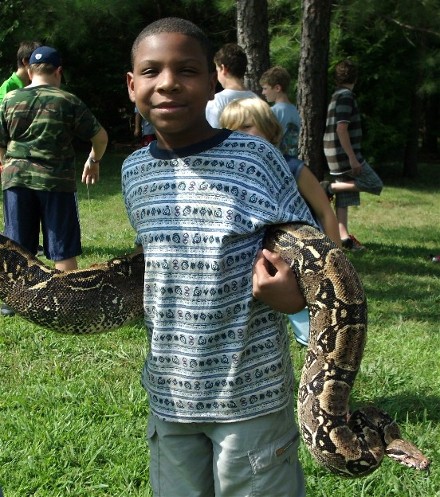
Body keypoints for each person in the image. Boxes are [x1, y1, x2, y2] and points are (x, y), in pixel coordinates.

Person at [124, 17, 318, 497]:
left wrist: (292, 298)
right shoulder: (132, 172)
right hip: (170, 393)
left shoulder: (257, 158)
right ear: (132, 85)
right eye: (151, 72)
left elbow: (310, 254)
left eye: (186, 70)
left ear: (212, 82)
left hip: (251, 393)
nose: (168, 83)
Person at [0, 46, 108, 317]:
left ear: (29, 70)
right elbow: (100, 137)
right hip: (55, 182)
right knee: (62, 246)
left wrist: (8, 163)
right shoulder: (67, 101)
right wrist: (93, 161)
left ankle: (12, 302)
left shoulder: (9, 99)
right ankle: (64, 301)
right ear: (59, 71)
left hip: (16, 179)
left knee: (16, 245)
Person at [220, 97, 341, 248]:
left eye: (246, 126)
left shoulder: (292, 168)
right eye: (231, 129)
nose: (239, 135)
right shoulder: (228, 174)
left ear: (268, 128)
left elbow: (325, 213)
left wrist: (337, 259)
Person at [323, 59, 383, 251]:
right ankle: (329, 187)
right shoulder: (346, 96)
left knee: (345, 196)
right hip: (343, 155)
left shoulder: (336, 95)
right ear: (355, 78)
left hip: (333, 153)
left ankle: (344, 238)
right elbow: (342, 128)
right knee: (374, 183)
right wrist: (352, 157)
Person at [205, 42, 258, 128]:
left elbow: (212, 137)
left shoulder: (216, 102)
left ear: (223, 68)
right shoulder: (256, 99)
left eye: (217, 70)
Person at [260, 65, 301, 157]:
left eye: (265, 88)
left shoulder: (272, 112)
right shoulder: (295, 110)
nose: (263, 92)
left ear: (277, 88)